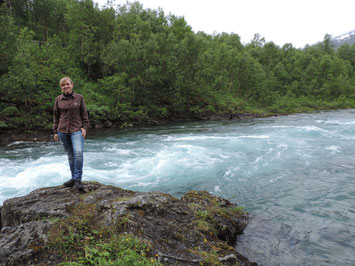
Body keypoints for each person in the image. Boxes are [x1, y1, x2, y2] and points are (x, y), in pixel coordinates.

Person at [53, 77, 89, 191]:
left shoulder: (79, 98)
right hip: (62, 131)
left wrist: (85, 128)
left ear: (72, 85)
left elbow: (84, 114)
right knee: (70, 155)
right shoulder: (58, 99)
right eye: (63, 85)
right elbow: (56, 116)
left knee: (78, 153)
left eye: (67, 84)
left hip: (77, 130)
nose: (66, 87)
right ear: (61, 88)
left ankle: (77, 180)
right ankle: (73, 179)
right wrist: (55, 131)